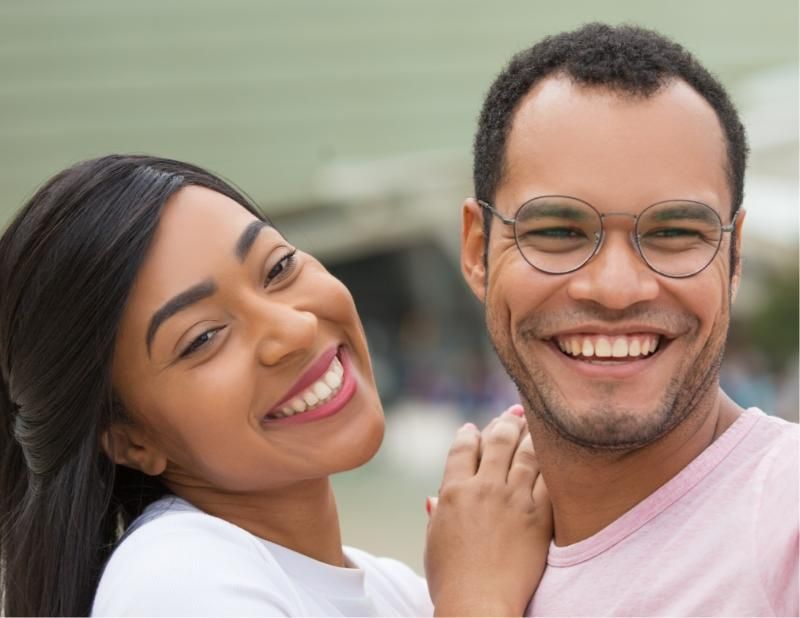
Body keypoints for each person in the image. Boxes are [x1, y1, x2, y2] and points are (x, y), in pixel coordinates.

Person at [0, 154, 552, 617]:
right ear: (127, 438)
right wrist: (477, 595)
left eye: (279, 267)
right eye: (203, 338)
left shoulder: (391, 590)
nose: (294, 328)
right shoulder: (175, 582)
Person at [458, 23, 799, 616]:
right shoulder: (472, 539)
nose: (615, 289)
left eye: (673, 233)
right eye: (559, 231)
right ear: (476, 250)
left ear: (735, 255)